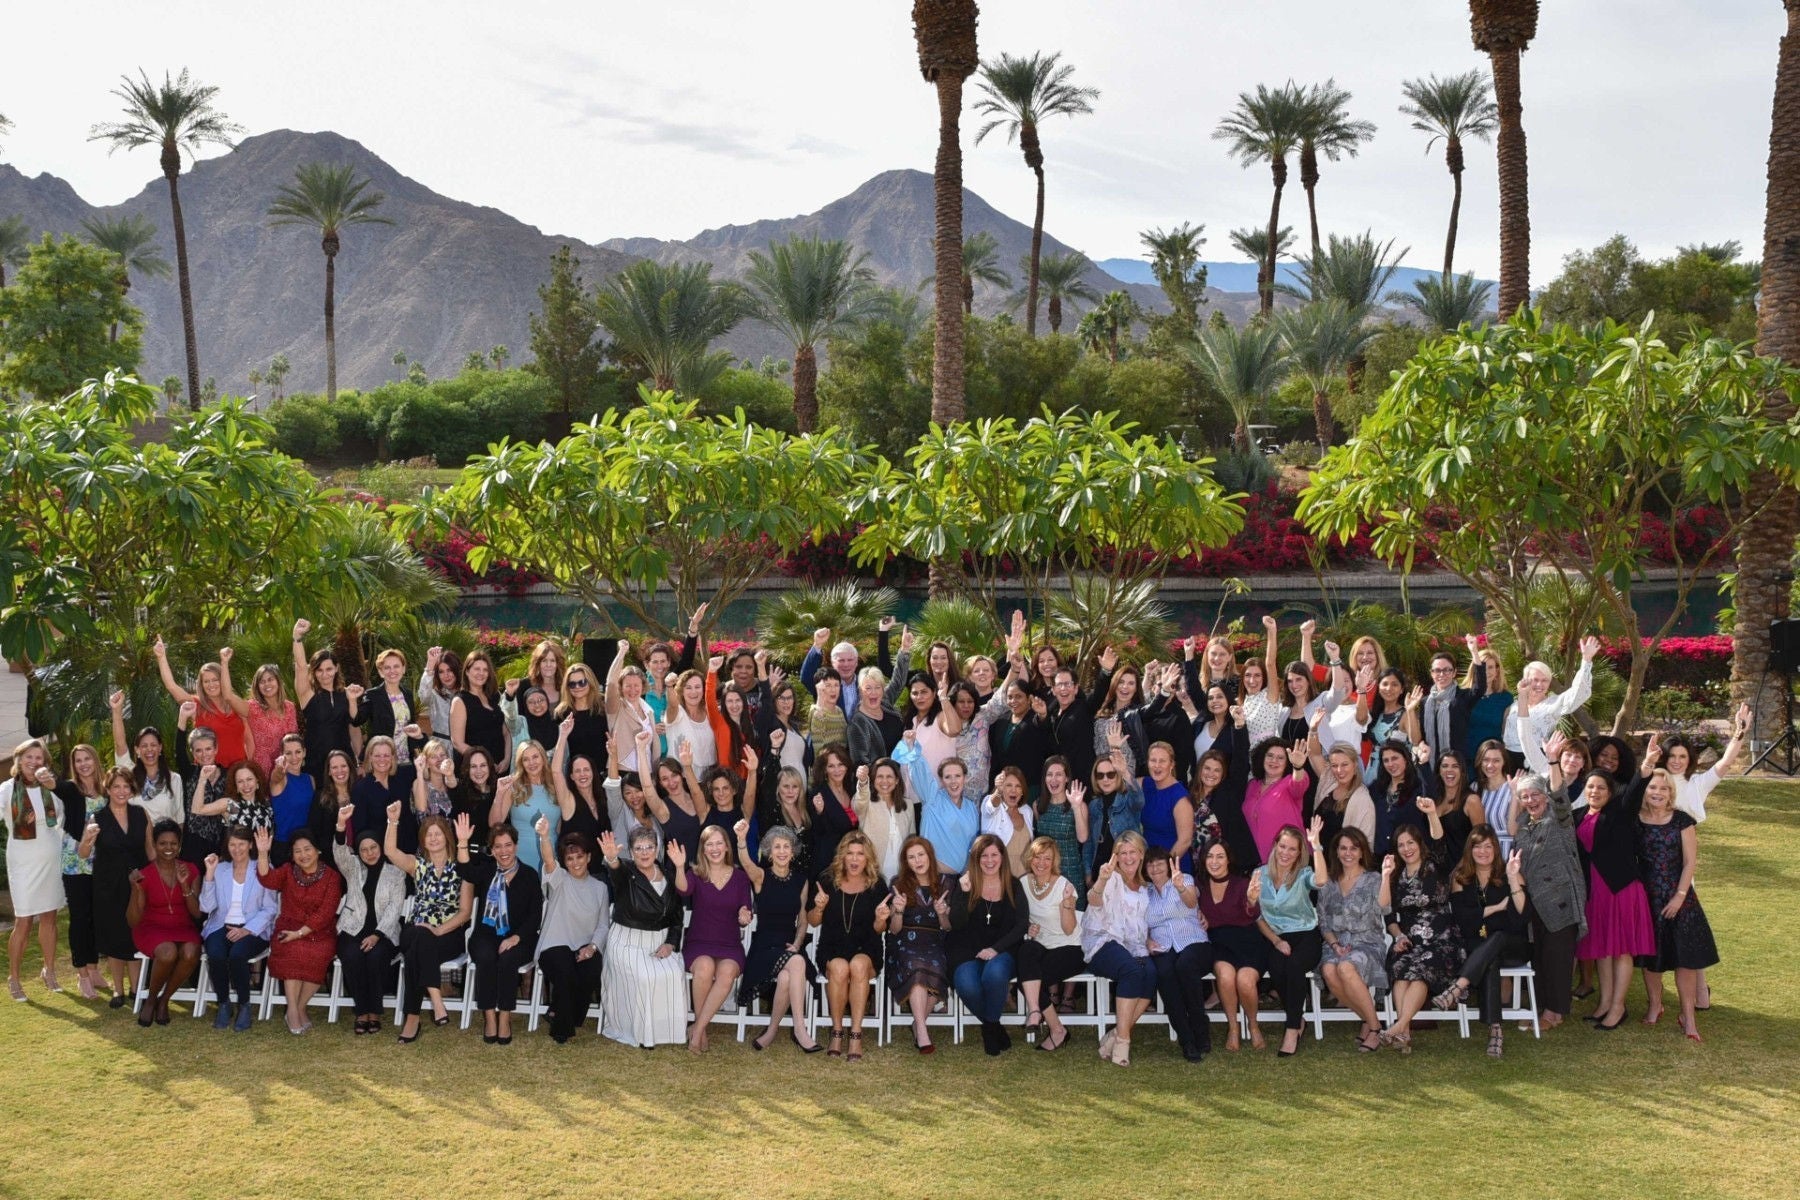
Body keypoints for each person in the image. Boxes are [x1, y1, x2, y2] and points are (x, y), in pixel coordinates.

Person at [1634, 768, 1718, 1042]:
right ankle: (1655, 1005)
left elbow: (1690, 862)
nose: (1658, 793)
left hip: (1679, 898)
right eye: (1653, 788)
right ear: (1645, 791)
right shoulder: (1635, 820)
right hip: (1647, 897)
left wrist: (1680, 896)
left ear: (1671, 792)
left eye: (1664, 788)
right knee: (1651, 959)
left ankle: (1688, 1017)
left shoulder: (1682, 820)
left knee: (1685, 959)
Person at [384, 806, 474, 1043]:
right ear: (423, 840)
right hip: (415, 930)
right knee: (418, 936)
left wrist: (438, 930)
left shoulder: (462, 867)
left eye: (438, 833)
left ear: (447, 836)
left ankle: (412, 1018)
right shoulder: (417, 865)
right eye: (428, 834)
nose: (433, 838)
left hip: (449, 933)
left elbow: (465, 913)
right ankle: (436, 1000)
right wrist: (392, 822)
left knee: (418, 947)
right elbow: (391, 852)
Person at [1439, 825, 1530, 1057]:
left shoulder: (1509, 873)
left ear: (1496, 849)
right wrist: (1495, 909)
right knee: (1490, 959)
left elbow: (1522, 916)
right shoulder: (1461, 878)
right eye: (1478, 846)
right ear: (1470, 850)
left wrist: (1511, 878)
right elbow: (1463, 919)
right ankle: (1496, 1031)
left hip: (1512, 945)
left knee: (1498, 938)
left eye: (1488, 846)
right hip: (1478, 947)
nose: (1483, 851)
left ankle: (1459, 986)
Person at [1576, 770, 1654, 1030]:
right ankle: (1605, 1003)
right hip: (1595, 892)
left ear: (1610, 793)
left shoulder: (1618, 813)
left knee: (1621, 949)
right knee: (1602, 950)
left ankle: (1619, 1007)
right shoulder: (1578, 816)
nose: (1594, 792)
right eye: (1590, 786)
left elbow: (1633, 793)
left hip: (1620, 889)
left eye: (1600, 788)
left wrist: (1646, 767)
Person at [598, 826, 687, 1049]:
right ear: (630, 851)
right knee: (646, 977)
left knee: (675, 973)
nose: (644, 852)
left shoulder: (669, 874)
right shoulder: (626, 871)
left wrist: (671, 943)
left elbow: (677, 916)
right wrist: (611, 858)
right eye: (638, 848)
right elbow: (615, 871)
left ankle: (666, 1033)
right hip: (627, 943)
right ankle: (640, 1034)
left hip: (660, 941)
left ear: (657, 850)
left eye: (649, 847)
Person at [1379, 823, 1465, 1054]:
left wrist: (1431, 815)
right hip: (1409, 941)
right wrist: (1398, 936)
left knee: (1419, 973)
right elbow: (1386, 910)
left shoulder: (1435, 866)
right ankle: (1404, 1033)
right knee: (1399, 968)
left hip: (1441, 940)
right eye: (1401, 845)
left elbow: (1439, 839)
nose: (1406, 849)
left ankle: (1397, 1026)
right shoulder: (1396, 875)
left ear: (1419, 843)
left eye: (1410, 843)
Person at [735, 821, 820, 1053]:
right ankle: (800, 1030)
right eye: (776, 847)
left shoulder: (801, 881)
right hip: (765, 945)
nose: (782, 851)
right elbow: (745, 862)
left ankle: (771, 1031)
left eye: (786, 846)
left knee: (786, 977)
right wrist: (742, 839)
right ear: (770, 853)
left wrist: (798, 943)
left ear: (792, 851)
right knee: (798, 961)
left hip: (789, 944)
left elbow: (802, 919)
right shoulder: (762, 876)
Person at [458, 823, 542, 1045]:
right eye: (498, 847)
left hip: (520, 938)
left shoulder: (529, 875)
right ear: (492, 849)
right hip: (486, 935)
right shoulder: (487, 870)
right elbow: (465, 870)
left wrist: (515, 938)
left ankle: (504, 1017)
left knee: (507, 959)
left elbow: (535, 916)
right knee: (485, 957)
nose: (504, 851)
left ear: (515, 846)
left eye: (508, 845)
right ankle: (489, 1017)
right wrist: (463, 842)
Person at [810, 830, 890, 1063]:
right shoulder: (827, 880)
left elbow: (879, 930)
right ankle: (837, 1032)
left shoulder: (877, 885)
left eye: (860, 854)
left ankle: (855, 1033)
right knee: (839, 968)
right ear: (842, 856)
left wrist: (881, 918)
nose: (855, 859)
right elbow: (814, 921)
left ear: (868, 859)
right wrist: (819, 908)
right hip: (833, 946)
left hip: (867, 947)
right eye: (850, 854)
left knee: (857, 965)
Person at [673, 824, 753, 1054]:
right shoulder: (697, 874)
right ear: (703, 849)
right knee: (705, 968)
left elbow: (745, 910)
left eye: (719, 843)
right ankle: (702, 1030)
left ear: (727, 846)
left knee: (727, 973)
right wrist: (679, 867)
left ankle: (696, 1030)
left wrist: (744, 916)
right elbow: (683, 890)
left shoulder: (740, 877)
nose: (715, 848)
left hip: (729, 944)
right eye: (710, 844)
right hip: (699, 943)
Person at [255, 828, 344, 1035]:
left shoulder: (331, 877)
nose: (303, 855)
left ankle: (298, 1007)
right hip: (288, 927)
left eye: (307, 849)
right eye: (297, 851)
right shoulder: (287, 871)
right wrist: (262, 853)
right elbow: (266, 879)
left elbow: (326, 912)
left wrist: (300, 933)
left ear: (318, 850)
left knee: (316, 954)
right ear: (292, 855)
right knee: (293, 951)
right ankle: (293, 1012)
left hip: (320, 931)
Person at [948, 834, 1028, 1056]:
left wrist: (996, 949)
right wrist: (964, 895)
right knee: (966, 984)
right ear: (976, 858)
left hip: (1003, 948)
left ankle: (989, 1028)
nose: (990, 861)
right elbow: (956, 923)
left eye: (994, 855)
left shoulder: (1013, 884)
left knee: (993, 975)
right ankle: (993, 1026)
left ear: (1002, 857)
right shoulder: (965, 883)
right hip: (967, 948)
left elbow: (1022, 925)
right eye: (984, 856)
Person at [532, 820, 612, 1045]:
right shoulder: (560, 880)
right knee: (566, 969)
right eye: (570, 858)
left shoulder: (600, 888)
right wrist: (545, 836)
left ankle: (563, 1013)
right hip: (553, 947)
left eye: (579, 857)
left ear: (588, 857)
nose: (575, 862)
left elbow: (603, 925)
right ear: (565, 862)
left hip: (584, 946)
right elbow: (548, 859)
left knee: (592, 967)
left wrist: (592, 947)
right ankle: (561, 1030)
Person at [1312, 822, 1388, 1053]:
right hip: (1336, 944)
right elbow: (1323, 921)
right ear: (1336, 851)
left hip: (1368, 943)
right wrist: (1334, 944)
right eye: (1343, 848)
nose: (1348, 853)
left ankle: (1373, 1029)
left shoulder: (1374, 879)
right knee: (1329, 971)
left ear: (1362, 851)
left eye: (1353, 848)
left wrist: (1386, 876)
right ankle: (1371, 1020)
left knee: (1345, 968)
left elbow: (1384, 908)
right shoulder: (1329, 883)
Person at [331, 806, 407, 1036]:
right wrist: (341, 825)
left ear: (381, 848)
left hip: (384, 932)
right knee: (353, 956)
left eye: (373, 847)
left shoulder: (396, 873)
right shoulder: (353, 868)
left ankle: (374, 1012)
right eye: (364, 850)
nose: (370, 853)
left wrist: (377, 935)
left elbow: (395, 908)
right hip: (352, 928)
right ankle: (361, 1012)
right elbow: (339, 852)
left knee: (374, 957)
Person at [1083, 831, 1156, 1066]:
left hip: (1133, 946)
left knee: (1152, 974)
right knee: (1132, 970)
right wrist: (1102, 880)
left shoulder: (1146, 887)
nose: (1128, 857)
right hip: (1102, 941)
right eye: (1122, 853)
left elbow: (1144, 921)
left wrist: (1148, 940)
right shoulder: (1111, 878)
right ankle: (1123, 1041)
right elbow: (1094, 900)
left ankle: (1114, 1034)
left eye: (1132, 852)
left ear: (1141, 854)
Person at [1251, 824, 1323, 1057]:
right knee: (1276, 966)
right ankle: (1297, 1017)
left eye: (1293, 849)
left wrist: (1317, 845)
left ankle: (1292, 1028)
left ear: (1300, 852)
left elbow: (1321, 881)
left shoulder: (1303, 875)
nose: (1286, 853)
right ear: (1275, 846)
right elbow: (1256, 916)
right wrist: (1275, 941)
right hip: (1276, 936)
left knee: (1293, 965)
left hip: (1307, 934)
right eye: (1283, 846)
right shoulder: (1259, 875)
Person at [5, 742, 68, 1000]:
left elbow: (64, 820)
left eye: (38, 757)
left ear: (45, 762)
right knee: (23, 920)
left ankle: (49, 971)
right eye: (28, 757)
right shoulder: (6, 790)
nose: (33, 761)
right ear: (18, 759)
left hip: (51, 859)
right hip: (22, 862)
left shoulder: (51, 790)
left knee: (49, 918)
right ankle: (14, 977)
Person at [198, 826, 276, 1031]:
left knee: (237, 955)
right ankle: (224, 1003)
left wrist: (247, 930)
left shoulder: (262, 867)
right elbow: (206, 907)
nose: (237, 849)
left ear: (250, 845)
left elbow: (270, 908)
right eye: (232, 844)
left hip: (253, 929)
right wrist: (209, 874)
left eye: (241, 844)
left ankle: (244, 1005)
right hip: (221, 925)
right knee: (215, 954)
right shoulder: (221, 869)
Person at [881, 834, 954, 1053]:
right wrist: (899, 910)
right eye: (911, 857)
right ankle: (922, 1030)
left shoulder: (946, 883)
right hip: (904, 941)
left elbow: (948, 927)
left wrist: (942, 913)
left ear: (929, 856)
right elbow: (893, 929)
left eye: (921, 855)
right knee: (916, 966)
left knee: (938, 966)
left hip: (935, 940)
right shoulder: (898, 884)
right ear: (906, 861)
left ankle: (917, 1023)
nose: (917, 861)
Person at [127, 819, 203, 1026]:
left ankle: (164, 1000)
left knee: (190, 952)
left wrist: (184, 884)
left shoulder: (190, 869)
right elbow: (134, 921)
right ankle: (150, 1001)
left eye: (173, 843)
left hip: (182, 926)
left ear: (179, 845)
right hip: (151, 928)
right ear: (154, 844)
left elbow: (196, 913)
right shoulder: (145, 875)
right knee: (168, 952)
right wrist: (136, 890)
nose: (168, 848)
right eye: (163, 843)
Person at [90, 767, 153, 1005]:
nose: (121, 791)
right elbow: (85, 852)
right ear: (107, 789)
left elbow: (149, 848)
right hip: (108, 885)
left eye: (126, 786)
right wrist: (85, 840)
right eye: (116, 786)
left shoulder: (140, 813)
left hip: (138, 884)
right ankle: (118, 989)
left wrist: (158, 875)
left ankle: (136, 988)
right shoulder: (98, 818)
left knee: (134, 935)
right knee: (113, 935)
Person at [1144, 845, 1212, 1063]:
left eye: (1160, 864)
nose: (1155, 868)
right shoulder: (1145, 894)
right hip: (1162, 946)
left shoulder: (1185, 880)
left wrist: (1180, 886)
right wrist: (1146, 940)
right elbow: (1138, 924)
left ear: (1169, 866)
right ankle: (1186, 1039)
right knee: (1164, 974)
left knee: (1185, 965)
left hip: (1193, 941)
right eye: (1151, 864)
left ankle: (1200, 1026)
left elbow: (1192, 902)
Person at [1197, 839, 1265, 1052]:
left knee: (1245, 981)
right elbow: (1189, 909)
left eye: (1220, 856)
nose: (1214, 861)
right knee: (1225, 977)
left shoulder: (1242, 884)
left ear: (1228, 860)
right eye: (1210, 856)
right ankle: (1233, 1028)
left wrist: (1252, 901)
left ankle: (1253, 1025)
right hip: (1218, 944)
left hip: (1247, 942)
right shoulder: (1199, 886)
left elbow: (1252, 913)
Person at [1017, 836, 1082, 1052]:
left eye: (1047, 858)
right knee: (1026, 952)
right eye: (1037, 857)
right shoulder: (1024, 883)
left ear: (1054, 861)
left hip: (1070, 947)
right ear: (1030, 858)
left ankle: (1054, 1028)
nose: (1041, 863)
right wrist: (1027, 926)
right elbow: (1018, 918)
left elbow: (1069, 929)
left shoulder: (1064, 885)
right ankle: (1041, 1016)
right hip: (1040, 946)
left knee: (1029, 983)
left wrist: (1067, 905)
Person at [56, 744, 109, 999]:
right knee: (79, 918)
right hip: (74, 860)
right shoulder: (70, 789)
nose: (83, 764)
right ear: (73, 764)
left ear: (95, 760)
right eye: (78, 760)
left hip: (98, 861)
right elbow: (51, 784)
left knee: (96, 917)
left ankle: (94, 968)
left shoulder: (105, 788)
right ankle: (82, 975)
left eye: (87, 758)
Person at [1503, 635, 1598, 772]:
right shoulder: (1514, 704)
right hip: (1508, 759)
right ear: (1525, 680)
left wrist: (1586, 660)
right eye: (1535, 680)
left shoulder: (1553, 704)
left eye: (1544, 680)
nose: (1539, 685)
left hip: (1535, 762)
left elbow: (1578, 693)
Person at [152, 638, 252, 769]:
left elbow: (249, 741)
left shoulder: (236, 704)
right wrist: (161, 657)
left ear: (223, 680)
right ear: (201, 684)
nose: (211, 685)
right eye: (206, 681)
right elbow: (171, 686)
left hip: (238, 773)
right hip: (210, 775)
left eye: (215, 680)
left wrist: (247, 769)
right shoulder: (197, 706)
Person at [896, 731, 979, 873]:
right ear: (941, 780)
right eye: (948, 777)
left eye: (957, 776)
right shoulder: (932, 798)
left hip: (964, 880)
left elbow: (975, 845)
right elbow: (920, 770)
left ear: (964, 778)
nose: (953, 781)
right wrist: (911, 746)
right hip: (935, 877)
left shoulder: (971, 807)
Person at [291, 620, 360, 778]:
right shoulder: (307, 695)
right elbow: (301, 666)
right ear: (313, 672)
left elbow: (354, 730)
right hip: (316, 765)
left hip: (344, 764)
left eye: (329, 669)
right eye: (319, 670)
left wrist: (359, 761)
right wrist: (297, 638)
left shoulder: (346, 694)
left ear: (336, 669)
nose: (324, 674)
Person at [110, 689, 184, 829]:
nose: (149, 750)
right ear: (137, 750)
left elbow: (179, 820)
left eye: (153, 745)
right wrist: (116, 711)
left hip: (163, 845)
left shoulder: (174, 779)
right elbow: (120, 743)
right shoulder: (128, 774)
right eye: (144, 746)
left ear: (160, 748)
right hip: (135, 845)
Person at [492, 736, 560, 873]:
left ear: (543, 758)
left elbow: (559, 827)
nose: (531, 763)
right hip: (520, 860)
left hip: (552, 858)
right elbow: (495, 823)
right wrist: (499, 794)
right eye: (526, 759)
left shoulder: (556, 785)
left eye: (535, 757)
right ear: (521, 763)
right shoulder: (513, 786)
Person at [1305, 718, 1375, 850]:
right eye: (1334, 765)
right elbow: (1314, 754)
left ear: (1355, 765)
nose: (1339, 770)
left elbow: (1366, 843)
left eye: (1345, 765)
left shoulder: (1363, 800)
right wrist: (1313, 729)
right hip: (1317, 858)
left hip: (1342, 864)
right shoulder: (1329, 780)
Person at [1419, 635, 1487, 771]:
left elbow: (1480, 688)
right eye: (1437, 670)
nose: (1442, 674)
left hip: (1457, 766)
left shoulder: (1462, 697)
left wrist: (1474, 651)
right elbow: (1421, 735)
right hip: (1432, 765)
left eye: (1447, 670)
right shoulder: (1425, 702)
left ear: (1454, 672)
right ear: (1431, 673)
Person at [226, 661, 298, 779]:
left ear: (278, 682)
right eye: (262, 682)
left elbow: (294, 740)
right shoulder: (252, 708)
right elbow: (228, 696)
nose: (266, 684)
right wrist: (224, 662)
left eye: (270, 679)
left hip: (287, 768)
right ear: (257, 686)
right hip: (261, 771)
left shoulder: (290, 707)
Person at [1034, 759, 1088, 902]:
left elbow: (1082, 838)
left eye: (1058, 774)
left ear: (1067, 778)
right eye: (1049, 774)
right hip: (1045, 870)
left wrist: (1076, 807)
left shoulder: (1079, 805)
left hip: (1070, 871)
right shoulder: (1038, 805)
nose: (1053, 779)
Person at [1137, 741, 1195, 873]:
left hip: (1172, 866)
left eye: (1162, 761)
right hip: (1149, 864)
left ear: (1171, 764)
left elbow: (1185, 841)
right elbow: (1123, 784)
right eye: (1153, 760)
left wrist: (1163, 869)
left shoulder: (1180, 798)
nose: (1157, 766)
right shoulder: (1146, 784)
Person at [351, 736, 414, 854]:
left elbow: (424, 760)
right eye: (377, 756)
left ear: (393, 757)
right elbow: (360, 828)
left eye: (386, 755)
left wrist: (419, 737)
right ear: (370, 757)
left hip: (409, 849)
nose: (382, 759)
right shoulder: (361, 788)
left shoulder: (403, 776)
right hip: (381, 853)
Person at [852, 761, 912, 885]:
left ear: (897, 780)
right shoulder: (866, 802)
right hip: (873, 874)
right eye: (880, 777)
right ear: (873, 780)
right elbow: (859, 802)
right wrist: (863, 782)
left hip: (902, 875)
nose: (884, 781)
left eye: (889, 776)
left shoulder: (908, 805)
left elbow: (912, 840)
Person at [357, 648, 419, 767]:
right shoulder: (372, 695)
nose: (392, 671)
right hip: (381, 761)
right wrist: (351, 699)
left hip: (406, 759)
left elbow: (411, 724)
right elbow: (357, 720)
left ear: (403, 669)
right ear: (381, 672)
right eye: (387, 667)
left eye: (396, 666)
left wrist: (417, 753)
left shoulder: (408, 694)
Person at [450, 649, 509, 774]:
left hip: (501, 767)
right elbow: (457, 743)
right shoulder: (460, 701)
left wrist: (507, 759)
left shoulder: (493, 696)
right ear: (466, 671)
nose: (481, 673)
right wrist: (485, 763)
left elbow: (506, 733)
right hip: (476, 771)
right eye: (477, 669)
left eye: (485, 670)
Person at [807, 745, 859, 871]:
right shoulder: (818, 794)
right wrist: (819, 812)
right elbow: (815, 833)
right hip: (828, 863)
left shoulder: (852, 790)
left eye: (840, 764)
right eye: (831, 766)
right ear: (824, 769)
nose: (837, 770)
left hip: (851, 862)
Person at [267, 734, 315, 863]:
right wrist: (279, 768)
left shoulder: (310, 779)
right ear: (282, 754)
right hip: (284, 846)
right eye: (288, 753)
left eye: (298, 752)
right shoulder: (281, 778)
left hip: (306, 846)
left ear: (304, 752)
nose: (294, 757)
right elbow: (276, 777)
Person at [979, 765, 1035, 876]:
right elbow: (991, 806)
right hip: (999, 876)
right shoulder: (991, 805)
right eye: (1008, 785)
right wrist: (998, 792)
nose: (1013, 790)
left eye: (1018, 786)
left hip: (1025, 877)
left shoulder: (1027, 811)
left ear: (1022, 791)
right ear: (1001, 788)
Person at [1464, 644, 1512, 762]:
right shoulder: (1463, 696)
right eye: (1482, 666)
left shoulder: (1506, 698)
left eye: (1490, 667)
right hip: (1467, 758)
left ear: (1497, 670)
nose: (1486, 671)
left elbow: (1506, 733)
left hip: (1492, 761)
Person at [419, 646, 463, 741]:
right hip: (440, 748)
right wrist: (430, 664)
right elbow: (423, 696)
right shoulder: (434, 694)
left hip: (464, 747)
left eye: (449, 670)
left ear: (457, 670)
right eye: (441, 672)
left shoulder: (467, 693)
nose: (446, 675)